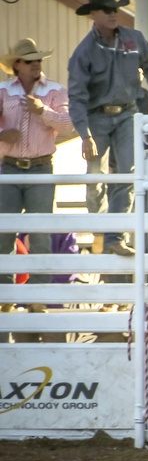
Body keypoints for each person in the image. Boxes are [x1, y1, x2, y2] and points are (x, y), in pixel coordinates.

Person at [67, 0, 148, 257]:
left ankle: (114, 235)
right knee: (94, 178)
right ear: (94, 15)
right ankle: (101, 230)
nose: (114, 14)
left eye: (116, 9)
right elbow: (76, 97)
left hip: (128, 113)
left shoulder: (133, 39)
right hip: (96, 118)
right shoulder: (83, 53)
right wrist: (84, 135)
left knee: (127, 172)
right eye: (108, 10)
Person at [0, 39, 75, 314]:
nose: (36, 65)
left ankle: (38, 297)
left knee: (40, 234)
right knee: (3, 235)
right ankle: (4, 297)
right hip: (9, 166)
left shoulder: (54, 91)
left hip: (41, 166)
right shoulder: (2, 91)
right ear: (17, 65)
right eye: (30, 60)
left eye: (38, 60)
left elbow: (70, 124)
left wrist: (43, 111)